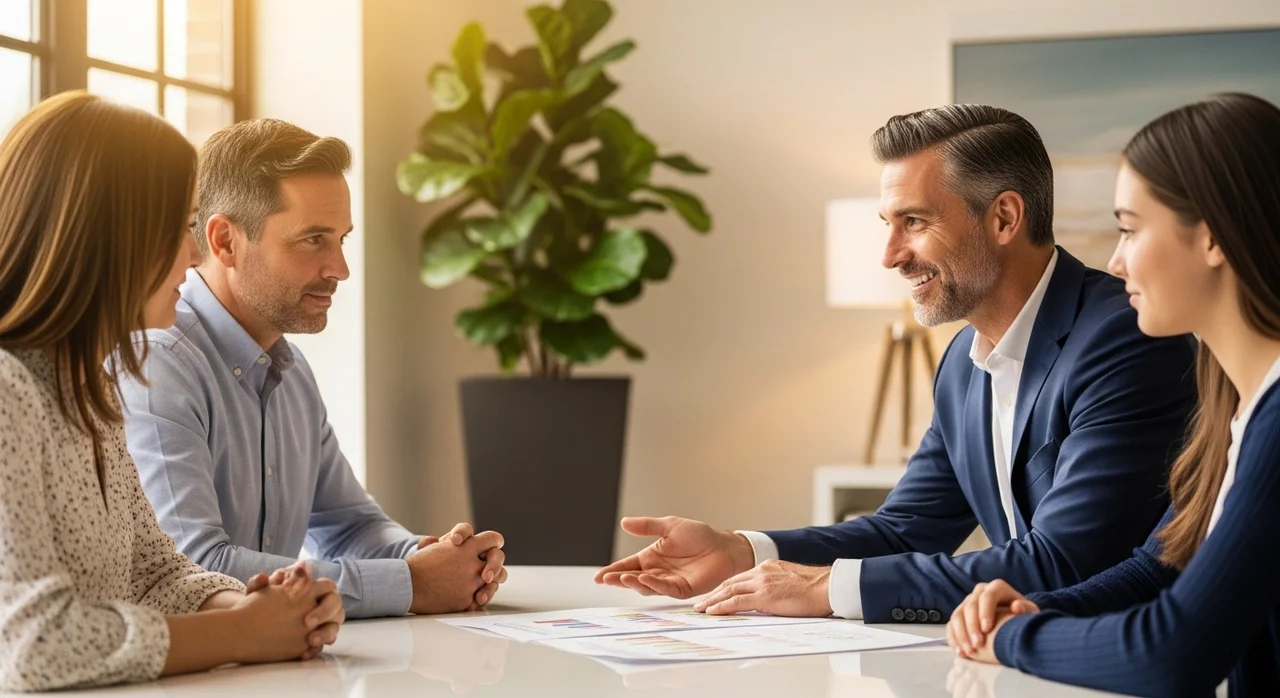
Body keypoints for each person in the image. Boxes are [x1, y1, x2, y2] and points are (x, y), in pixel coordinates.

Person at [596, 104, 1199, 623]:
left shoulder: (1127, 337)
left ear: (1005, 218)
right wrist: (743, 550)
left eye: (914, 222)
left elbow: (1068, 561)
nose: (890, 256)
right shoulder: (963, 365)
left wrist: (825, 588)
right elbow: (905, 528)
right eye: (888, 224)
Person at [0, 92, 344, 692]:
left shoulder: (90, 390)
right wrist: (244, 635)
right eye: (179, 227)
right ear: (105, 237)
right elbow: (34, 646)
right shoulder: (8, 392)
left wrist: (260, 609)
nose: (193, 255)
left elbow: (156, 574)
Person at [948, 92, 1280, 698]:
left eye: (1129, 230)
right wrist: (1031, 608)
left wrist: (1011, 640)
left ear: (1212, 238)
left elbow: (1174, 653)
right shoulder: (1237, 407)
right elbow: (1158, 567)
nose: (1116, 262)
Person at [118, 118, 506, 619]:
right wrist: (410, 584)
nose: (340, 268)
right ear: (225, 241)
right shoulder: (159, 362)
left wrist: (432, 559)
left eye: (341, 238)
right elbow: (193, 568)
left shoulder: (290, 369)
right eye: (313, 240)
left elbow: (349, 527)